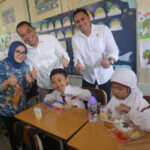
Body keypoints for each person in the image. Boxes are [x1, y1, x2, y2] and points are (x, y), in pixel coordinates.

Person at [72, 8, 119, 102]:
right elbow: (77, 56)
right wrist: (78, 65)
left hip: (105, 75)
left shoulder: (103, 30)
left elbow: (113, 49)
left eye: (83, 19)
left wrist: (110, 61)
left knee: (105, 102)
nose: (81, 23)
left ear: (89, 18)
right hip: (88, 76)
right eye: (77, 22)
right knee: (87, 102)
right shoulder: (75, 38)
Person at [16, 21, 70, 100]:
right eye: (23, 35)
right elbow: (30, 67)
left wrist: (65, 60)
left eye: (29, 31)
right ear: (21, 38)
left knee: (67, 107)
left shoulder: (50, 39)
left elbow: (62, 54)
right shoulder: (25, 51)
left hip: (60, 83)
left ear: (33, 29)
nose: (27, 36)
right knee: (46, 110)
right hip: (44, 87)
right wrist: (31, 73)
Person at [0, 41, 37, 150]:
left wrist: (29, 82)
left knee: (23, 134)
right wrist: (7, 83)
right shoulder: (2, 66)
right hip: (7, 110)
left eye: (23, 53)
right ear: (12, 51)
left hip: (22, 108)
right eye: (18, 52)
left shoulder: (25, 66)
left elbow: (26, 90)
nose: (21, 55)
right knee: (13, 136)